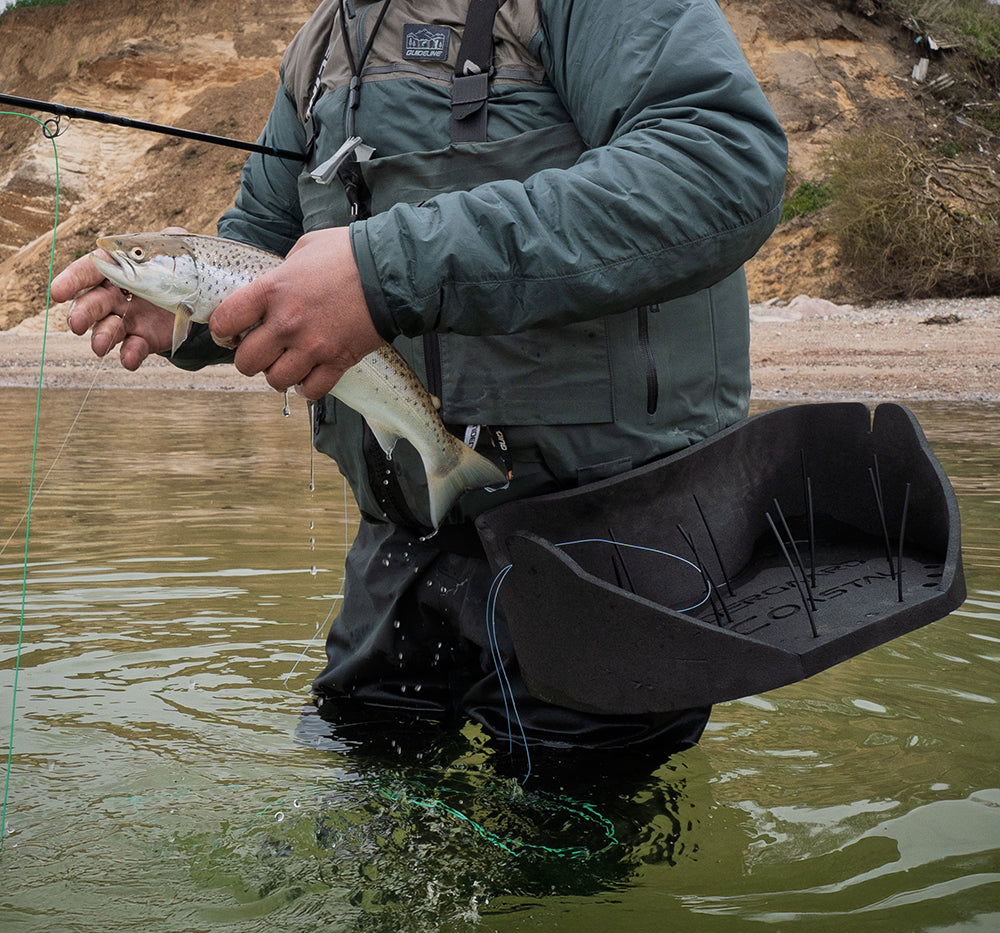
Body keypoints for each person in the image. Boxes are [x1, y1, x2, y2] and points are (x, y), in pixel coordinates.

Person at [51, 0, 787, 759]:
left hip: (605, 542)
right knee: (361, 826)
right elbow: (259, 245)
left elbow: (720, 164)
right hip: (403, 541)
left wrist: (382, 273)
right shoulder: (319, 46)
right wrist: (180, 315)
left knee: (570, 860)